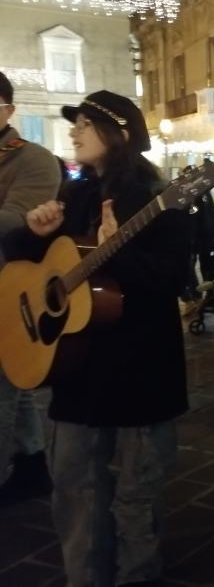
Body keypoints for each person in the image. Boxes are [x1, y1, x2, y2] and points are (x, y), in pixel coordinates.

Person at [6, 90, 190, 586]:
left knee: (136, 497)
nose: (74, 131)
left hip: (138, 373)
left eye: (85, 123)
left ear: (121, 133)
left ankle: (136, 577)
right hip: (75, 371)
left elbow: (174, 278)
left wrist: (118, 254)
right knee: (74, 491)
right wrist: (33, 231)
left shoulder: (160, 196)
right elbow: (44, 265)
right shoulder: (77, 191)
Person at [0, 70, 60, 506]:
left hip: (9, 287)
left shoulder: (32, 158)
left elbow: (16, 221)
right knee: (12, 384)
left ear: (8, 109)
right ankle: (33, 461)